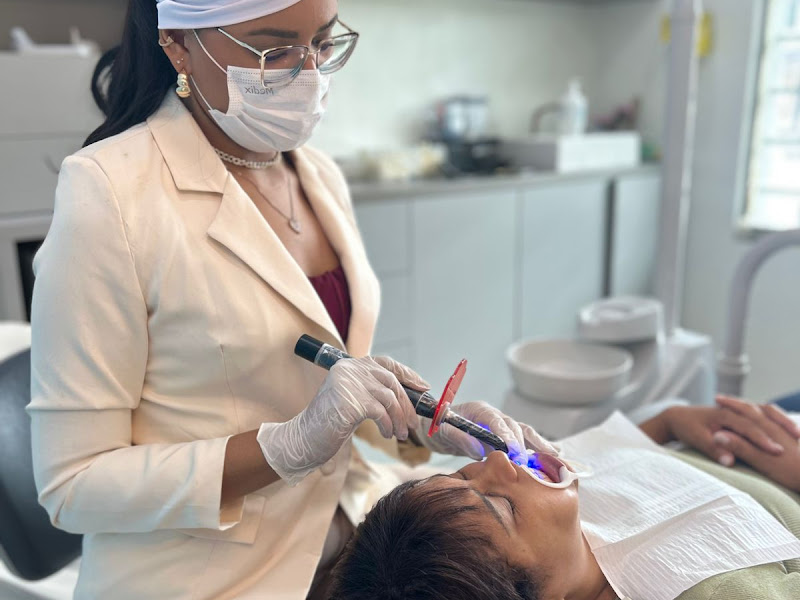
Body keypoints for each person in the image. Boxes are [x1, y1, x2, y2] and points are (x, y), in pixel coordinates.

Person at [26, 1, 556, 598]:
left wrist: (429, 425)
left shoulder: (317, 174)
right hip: (205, 580)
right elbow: (72, 485)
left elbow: (317, 382)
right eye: (273, 50)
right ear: (177, 43)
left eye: (324, 43)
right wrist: (289, 445)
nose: (308, 75)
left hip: (350, 546)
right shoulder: (110, 193)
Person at [329, 396, 800, 600]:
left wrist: (671, 421)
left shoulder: (553, 504)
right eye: (501, 505)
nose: (498, 462)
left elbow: (611, 451)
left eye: (464, 474)